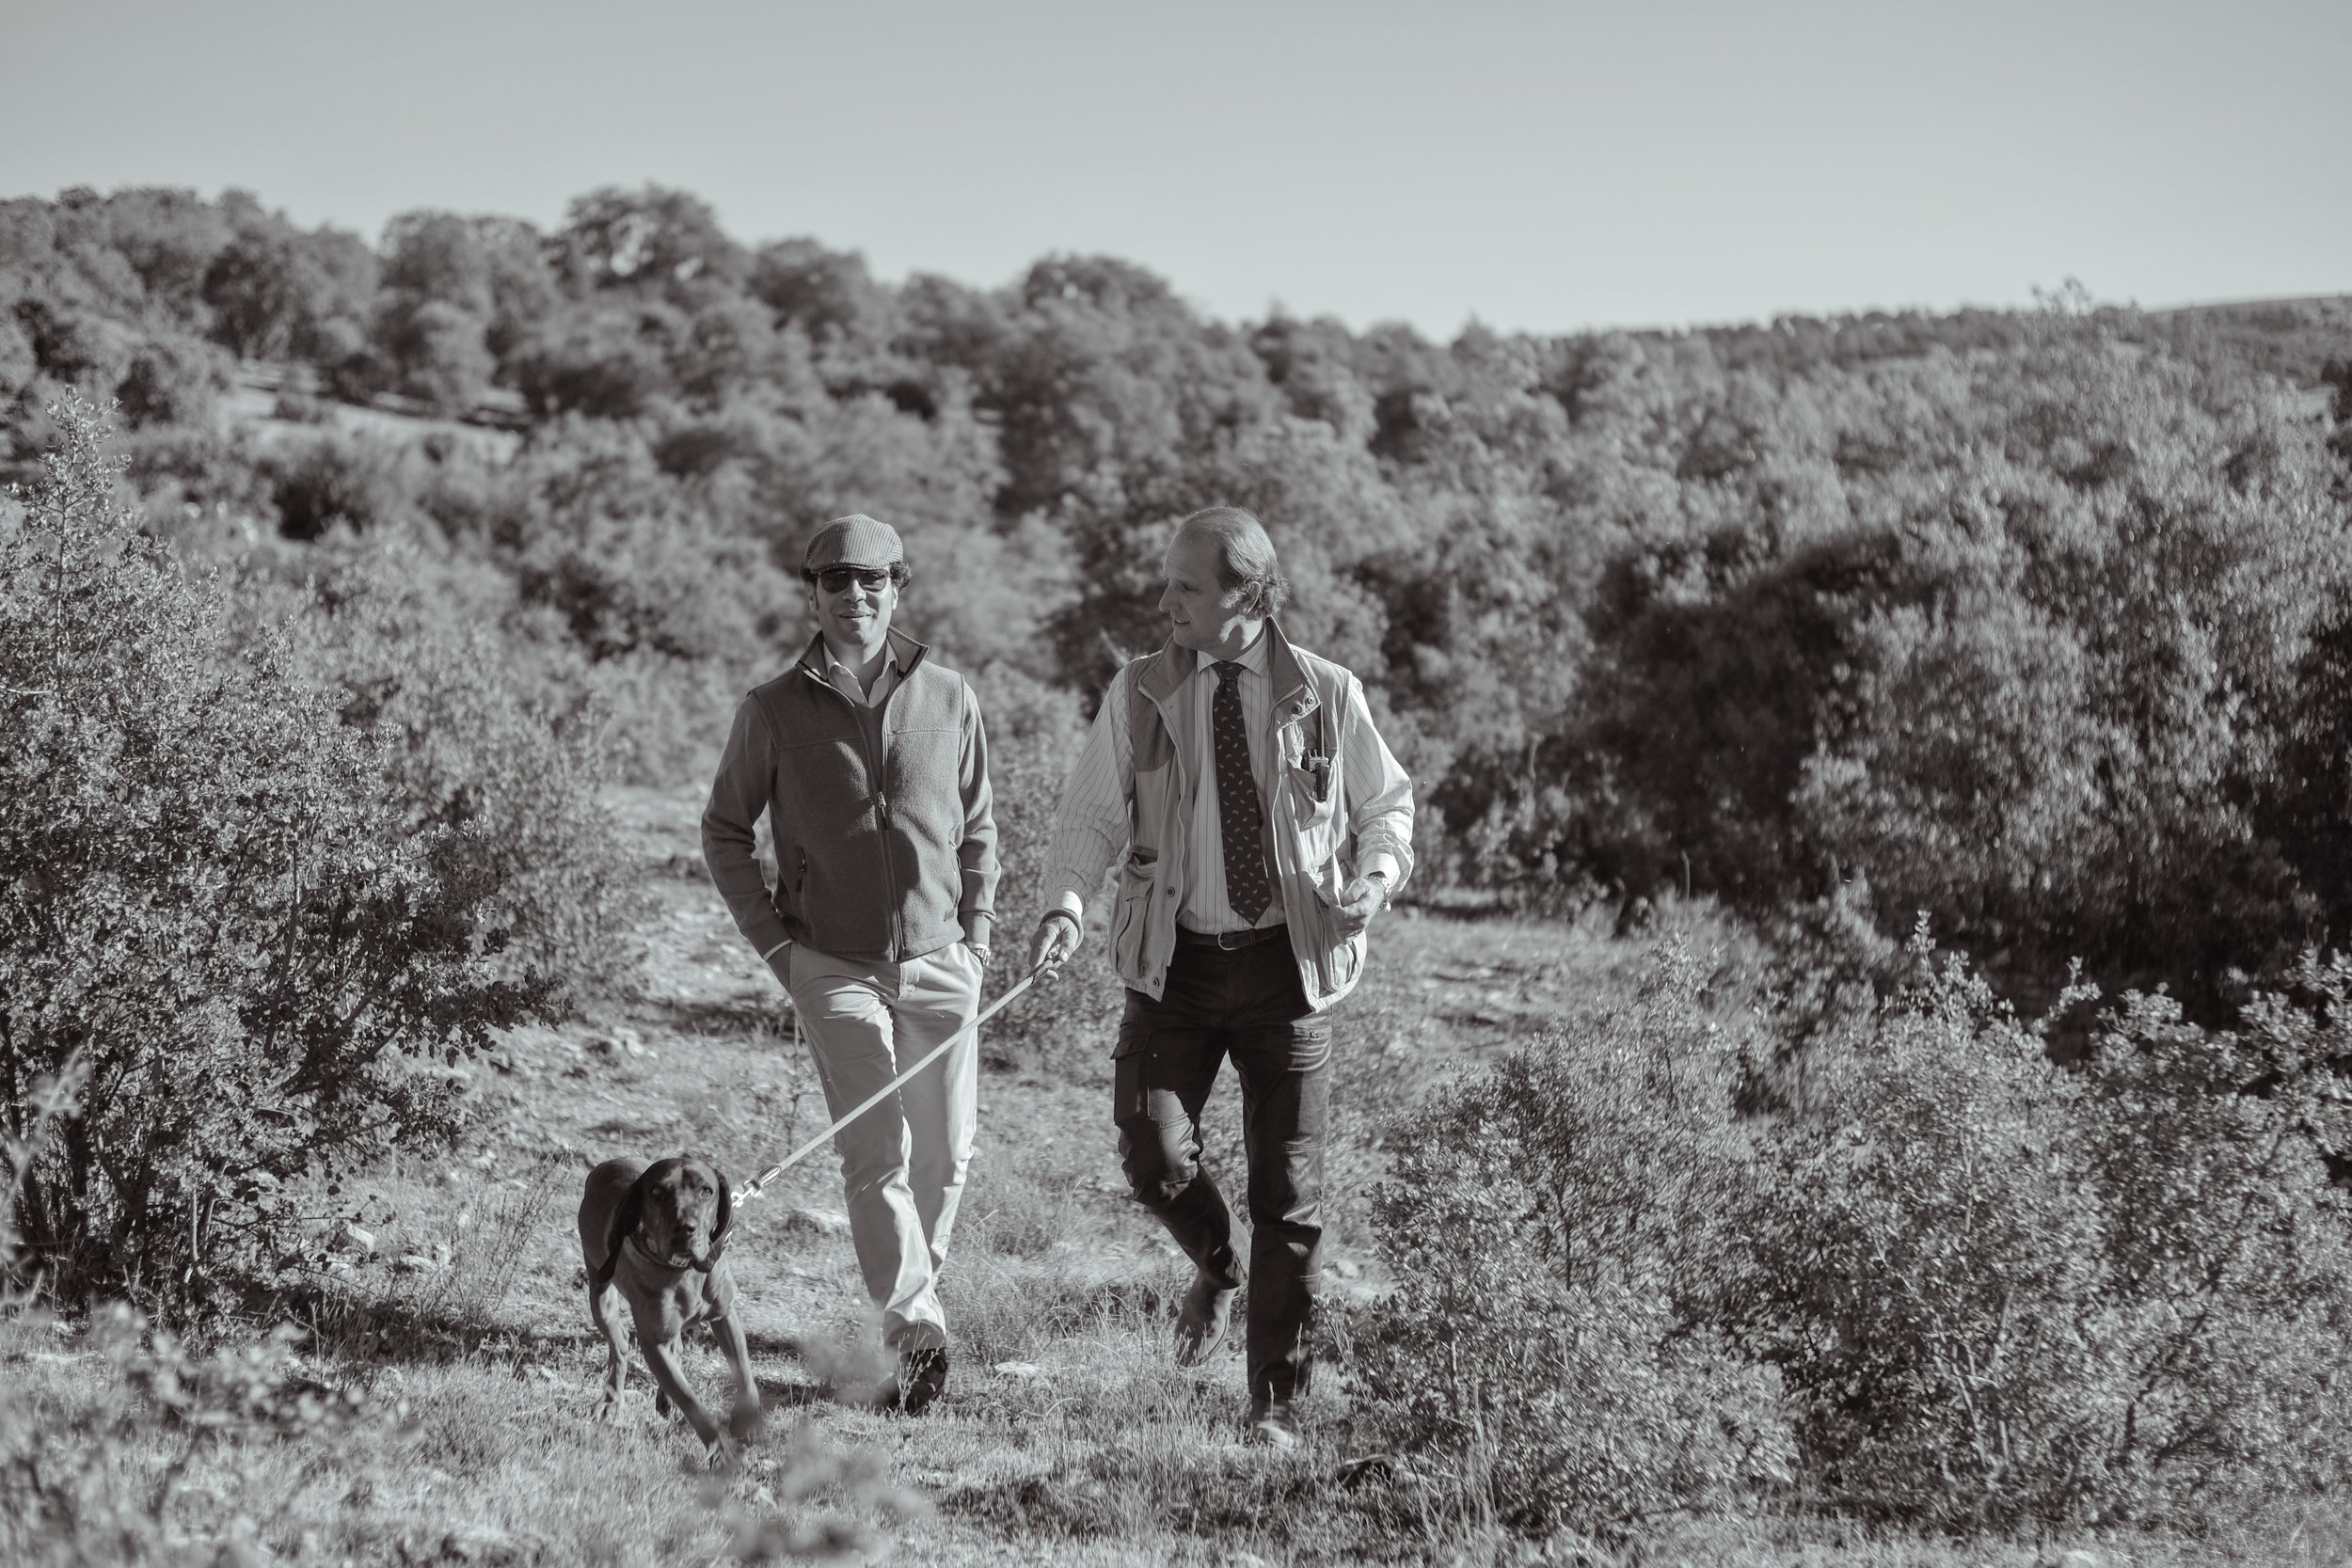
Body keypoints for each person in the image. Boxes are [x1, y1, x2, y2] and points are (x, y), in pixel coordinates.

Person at [1025, 505, 1414, 1448]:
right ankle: (1216, 1257)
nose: (1165, 603)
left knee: (1291, 1198)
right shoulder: (1138, 692)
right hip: (1176, 966)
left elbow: (1386, 805)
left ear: (1249, 593)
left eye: (1186, 588)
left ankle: (1272, 1407)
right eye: (1166, 585)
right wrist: (1064, 905)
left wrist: (1373, 876)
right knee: (1150, 1151)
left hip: (1291, 966)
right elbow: (1087, 817)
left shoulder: (1325, 689)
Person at [703, 513, 999, 1416]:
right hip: (831, 964)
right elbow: (724, 831)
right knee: (880, 1155)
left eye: (873, 581)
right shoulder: (773, 708)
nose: (855, 595)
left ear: (897, 590)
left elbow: (979, 825)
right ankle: (915, 1330)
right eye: (836, 581)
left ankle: (912, 1302)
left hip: (945, 958)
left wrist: (980, 938)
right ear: (813, 595)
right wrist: (781, 949)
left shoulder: (951, 695)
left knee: (946, 1157)